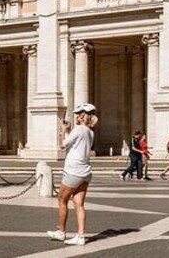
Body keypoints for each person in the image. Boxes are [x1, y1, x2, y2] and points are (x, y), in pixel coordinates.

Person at [47, 103, 98, 246]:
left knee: (62, 200)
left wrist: (63, 131)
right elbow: (75, 145)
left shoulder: (78, 129)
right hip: (86, 172)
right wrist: (69, 132)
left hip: (73, 171)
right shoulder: (90, 132)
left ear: (82, 116)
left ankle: (61, 232)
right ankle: (80, 236)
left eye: (77, 114)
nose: (75, 117)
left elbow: (63, 145)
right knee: (79, 204)